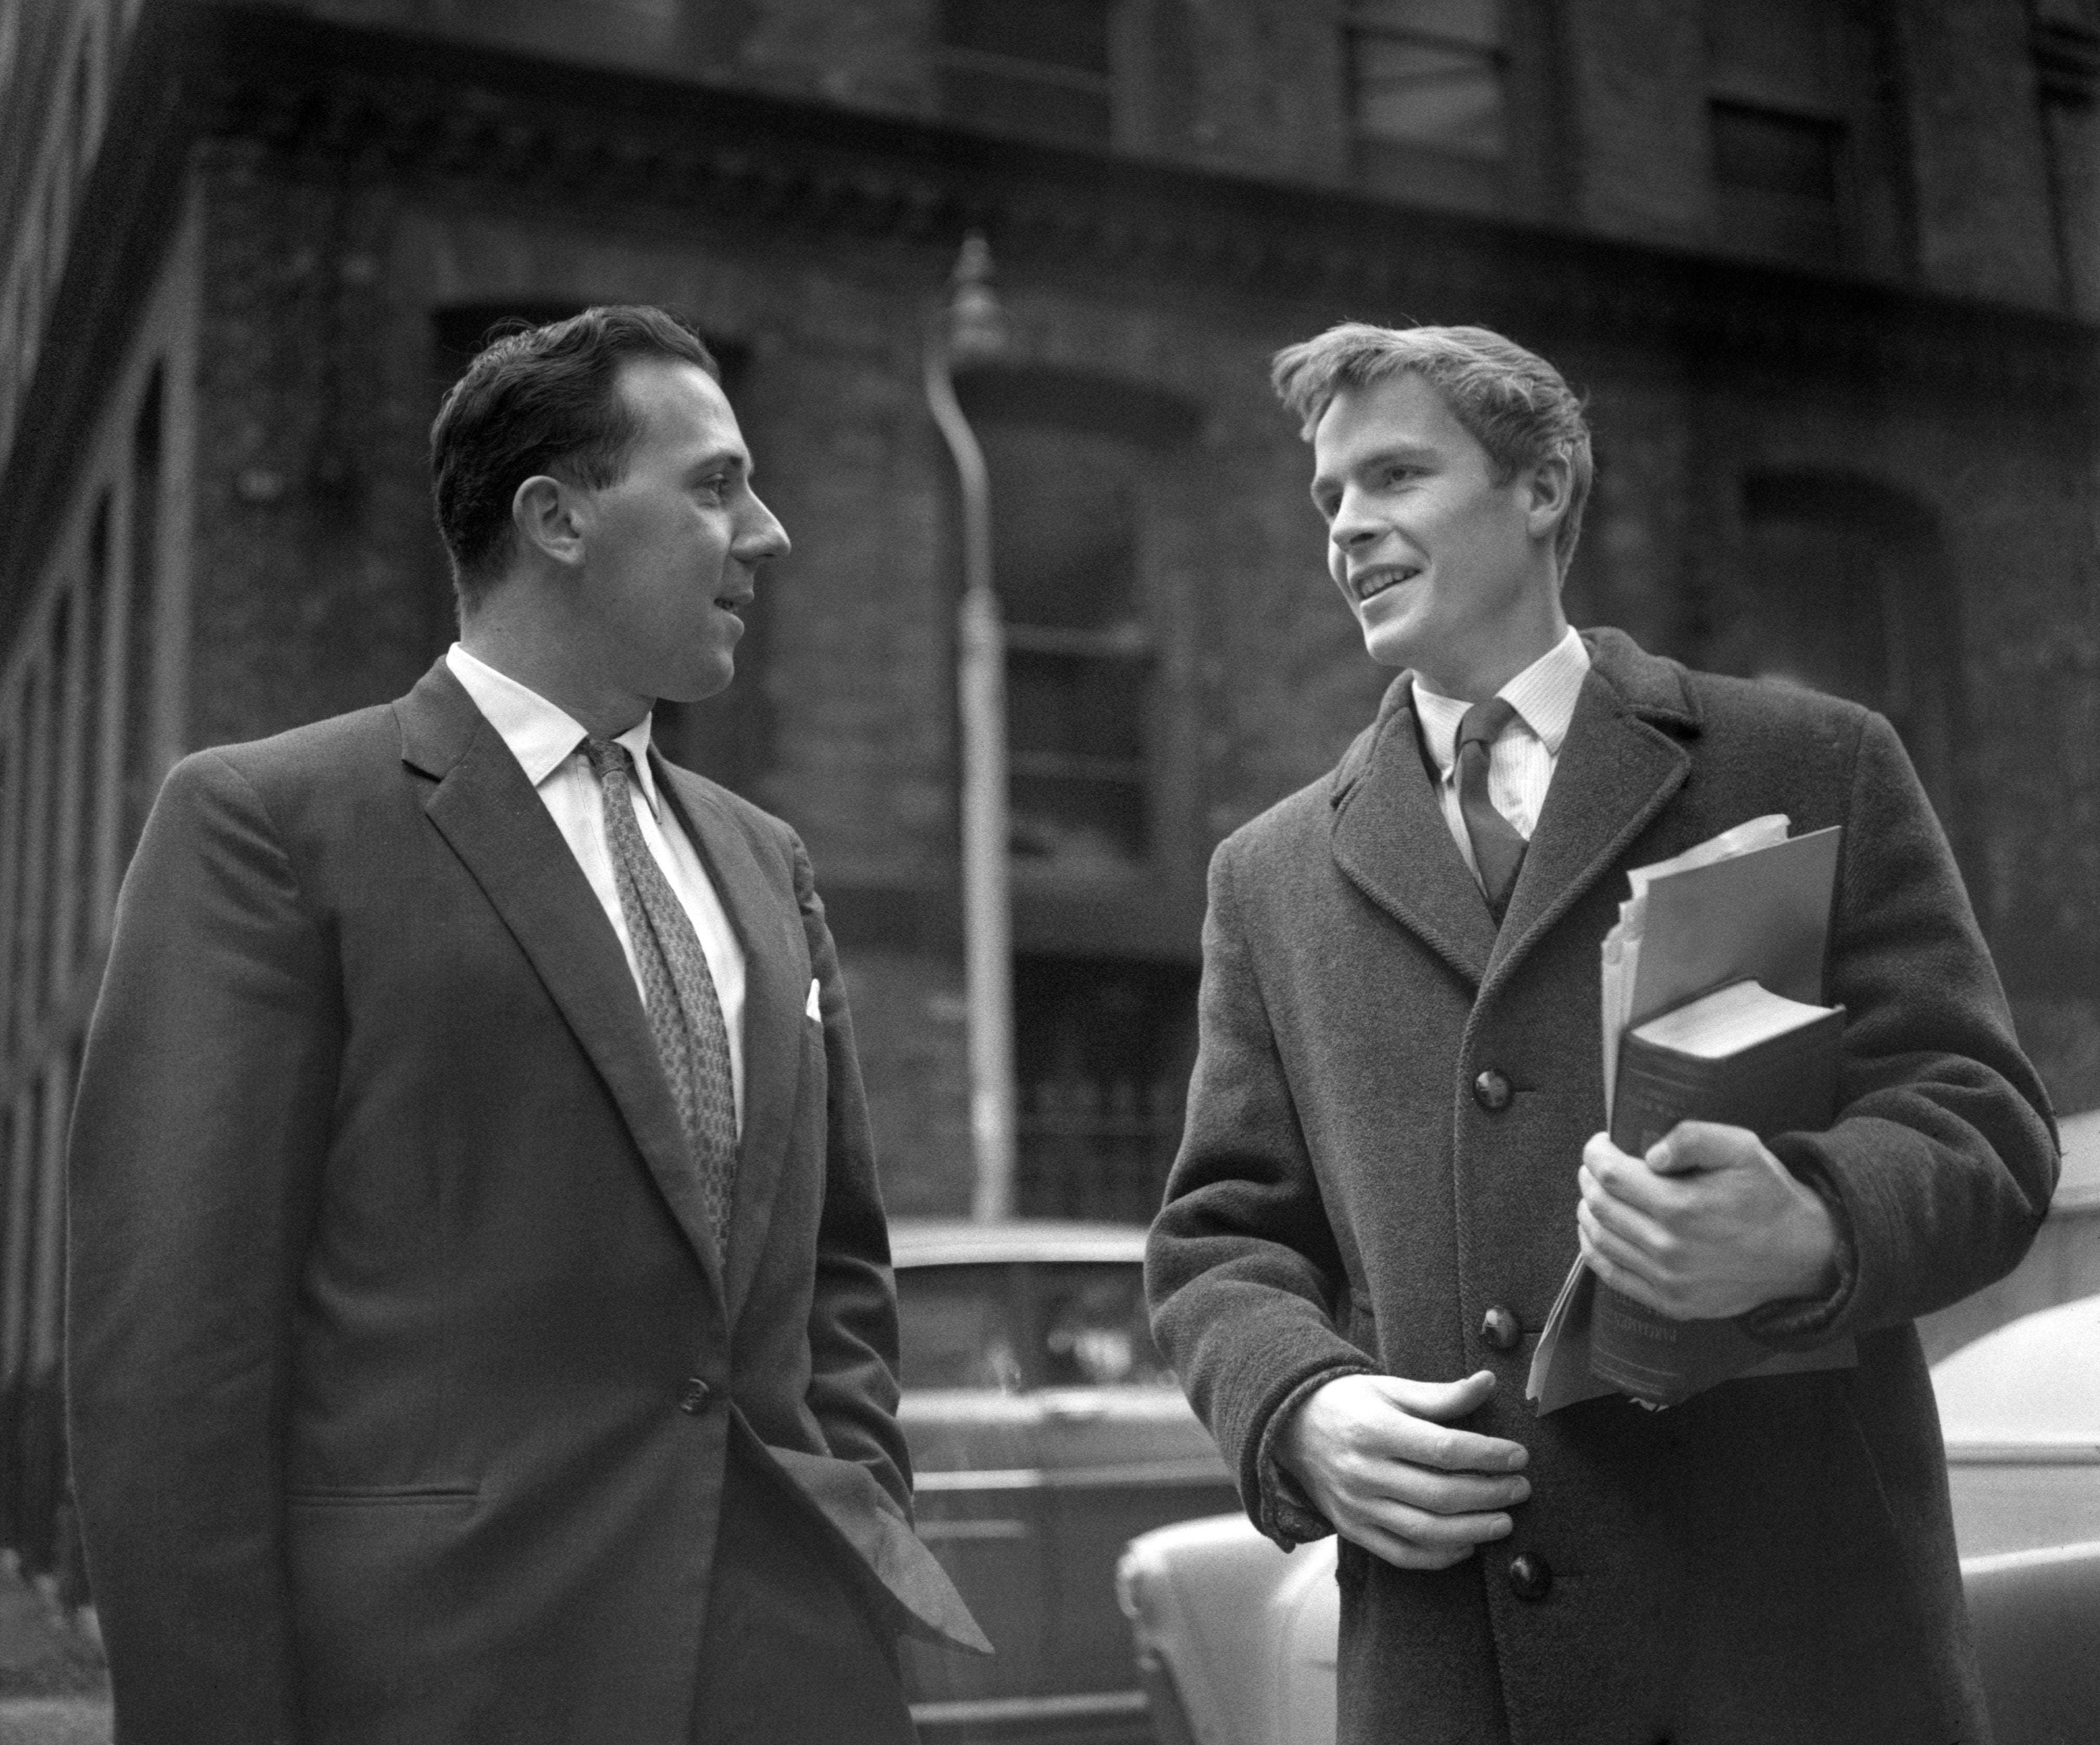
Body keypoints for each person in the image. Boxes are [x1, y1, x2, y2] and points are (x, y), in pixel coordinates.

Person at [67, 306, 984, 1745]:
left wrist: (851, 1539)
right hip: (451, 1681)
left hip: (788, 1681)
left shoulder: (767, 862)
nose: (769, 533)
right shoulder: (272, 826)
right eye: (714, 484)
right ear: (555, 519)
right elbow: (174, 1365)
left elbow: (836, 1277)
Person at [1146, 321, 2057, 1745]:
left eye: (1394, 475)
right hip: (1458, 1666)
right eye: (1329, 498)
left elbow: (1985, 1130)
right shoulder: (1268, 874)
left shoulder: (1811, 760)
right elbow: (1222, 1241)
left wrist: (1813, 1224)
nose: (1350, 528)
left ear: (1545, 485)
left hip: (1793, 1652)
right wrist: (1298, 1414)